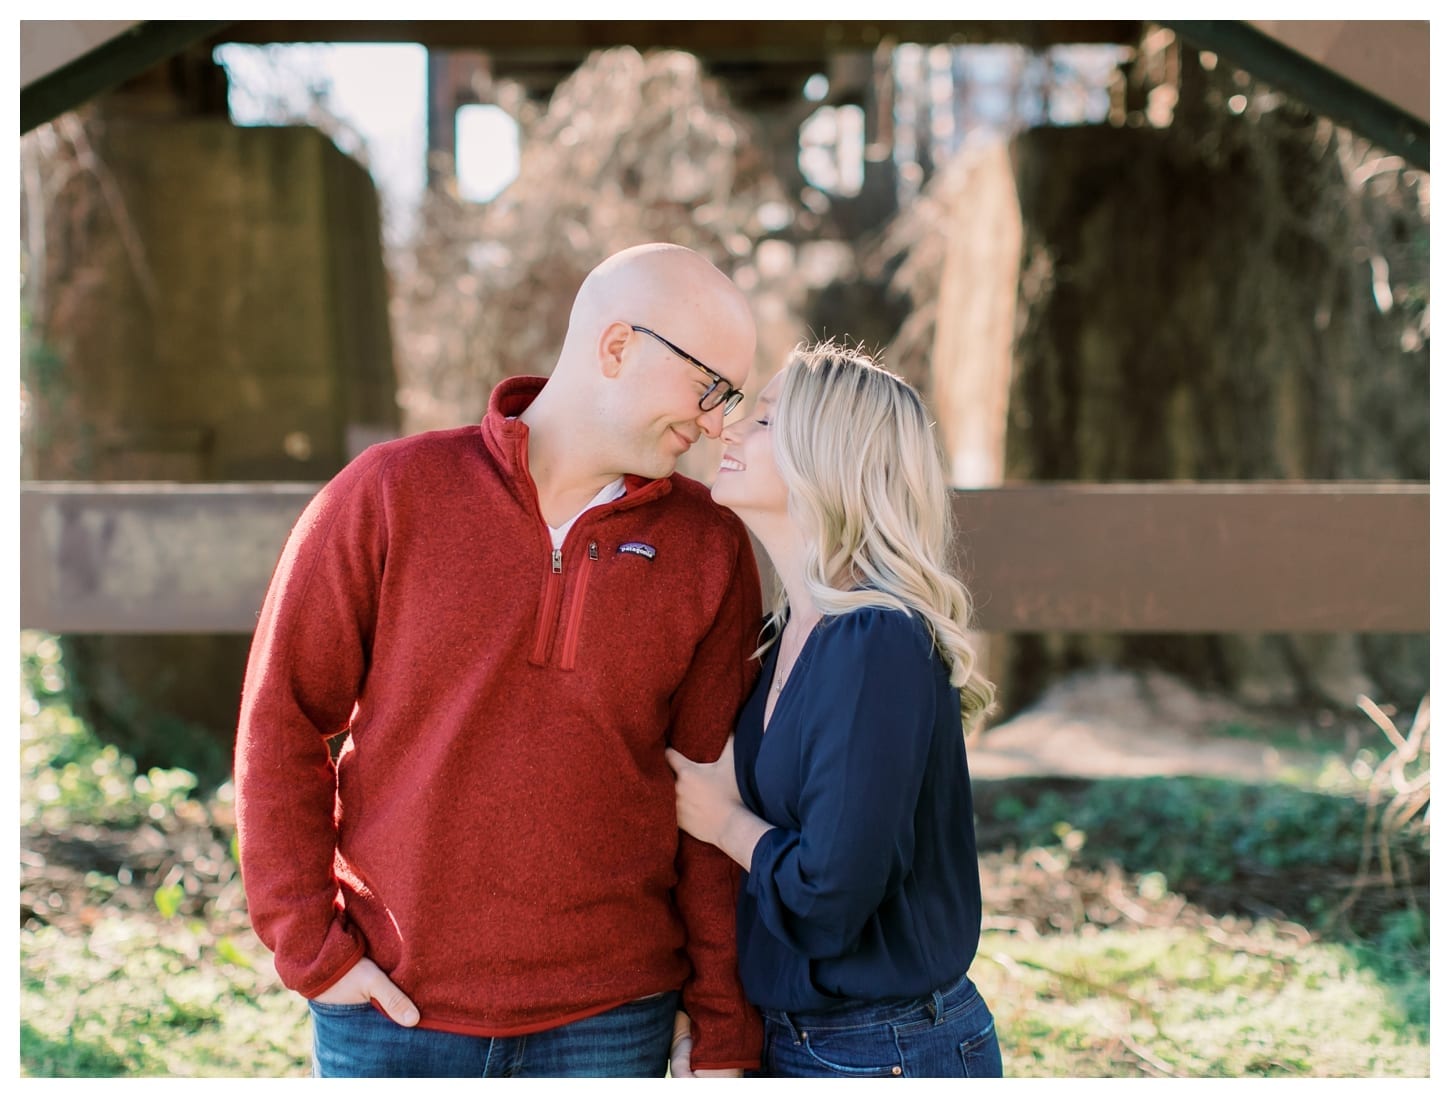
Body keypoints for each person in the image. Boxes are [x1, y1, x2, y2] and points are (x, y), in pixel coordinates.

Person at [234, 243, 765, 1078]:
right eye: (710, 386)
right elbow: (283, 720)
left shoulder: (710, 548)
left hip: (612, 1019)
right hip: (395, 1016)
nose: (715, 421)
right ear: (618, 346)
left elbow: (710, 791)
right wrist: (311, 947)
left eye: (730, 397)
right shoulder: (389, 494)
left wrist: (722, 1019)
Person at [666, 342, 1004, 1078]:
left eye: (761, 420)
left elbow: (830, 898)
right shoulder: (784, 634)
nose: (727, 429)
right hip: (807, 1039)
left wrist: (723, 822)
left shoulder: (876, 641)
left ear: (827, 458)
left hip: (888, 1049)